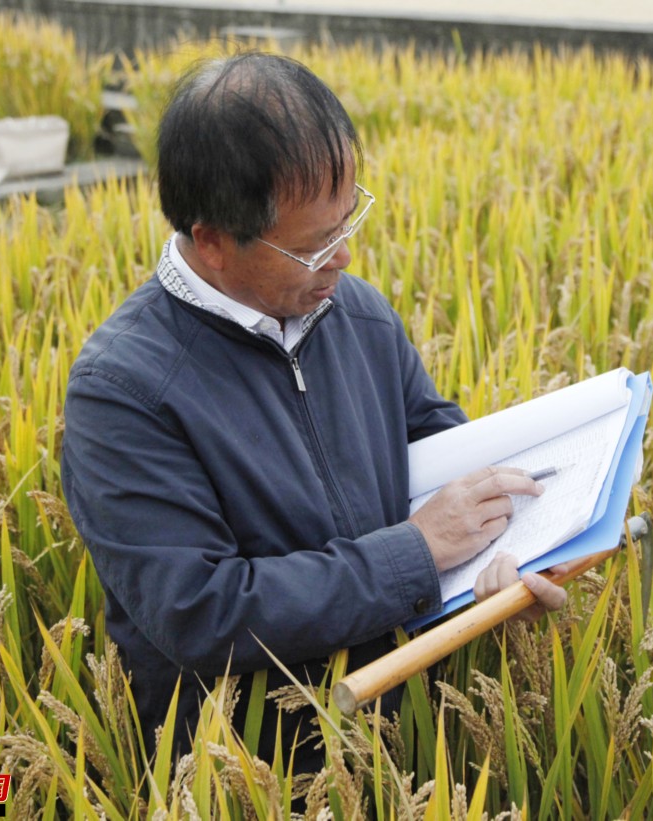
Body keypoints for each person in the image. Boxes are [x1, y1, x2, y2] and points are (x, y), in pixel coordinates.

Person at [60, 52, 567, 771]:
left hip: (406, 731)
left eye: (347, 220)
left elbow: (435, 443)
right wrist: (417, 552)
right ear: (212, 241)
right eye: (314, 245)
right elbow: (202, 611)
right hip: (255, 767)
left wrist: (507, 545)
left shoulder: (353, 312)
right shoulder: (125, 391)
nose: (345, 256)